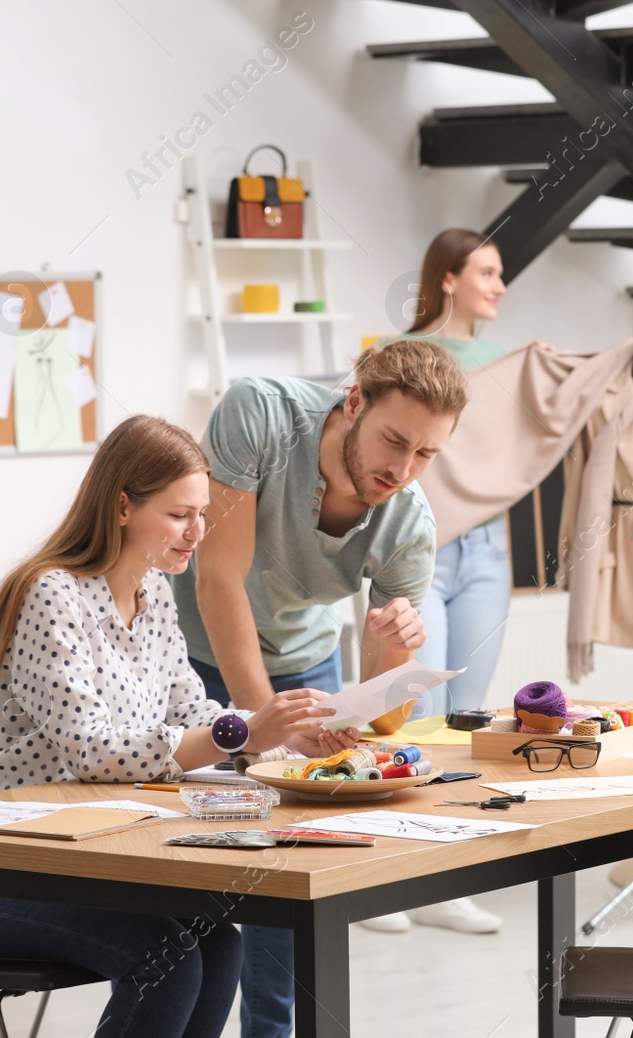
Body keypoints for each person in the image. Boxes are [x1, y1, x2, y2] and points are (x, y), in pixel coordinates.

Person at [0, 415, 358, 1038]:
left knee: (220, 945)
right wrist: (241, 734)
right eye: (180, 515)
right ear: (124, 506)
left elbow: (191, 710)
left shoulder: (153, 591)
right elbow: (94, 752)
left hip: (67, 853)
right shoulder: (51, 593)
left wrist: (282, 733)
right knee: (170, 959)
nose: (198, 533)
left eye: (203, 514)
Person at [168, 340, 480, 1038]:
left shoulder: (410, 525)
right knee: (189, 851)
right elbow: (219, 580)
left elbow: (385, 717)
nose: (401, 469)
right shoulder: (260, 413)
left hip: (302, 662)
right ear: (355, 401)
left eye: (425, 455)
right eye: (395, 440)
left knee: (296, 854)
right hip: (189, 655)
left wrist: (391, 653)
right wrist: (261, 724)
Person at [380, 229, 512, 719]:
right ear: (449, 280)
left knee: (467, 713)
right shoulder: (398, 355)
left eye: (501, 275)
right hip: (415, 549)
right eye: (487, 273)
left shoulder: (507, 364)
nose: (500, 285)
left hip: (487, 551)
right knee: (418, 708)